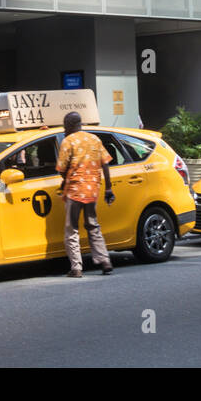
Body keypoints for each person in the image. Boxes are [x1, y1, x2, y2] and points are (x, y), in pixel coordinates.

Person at [55, 111, 114, 277]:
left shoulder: (68, 141)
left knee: (72, 229)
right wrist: (108, 188)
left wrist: (65, 179)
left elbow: (61, 169)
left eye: (65, 126)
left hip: (74, 191)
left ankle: (76, 268)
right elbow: (106, 164)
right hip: (92, 190)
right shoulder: (94, 139)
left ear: (69, 125)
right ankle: (105, 261)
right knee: (93, 226)